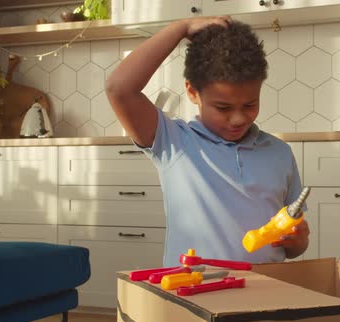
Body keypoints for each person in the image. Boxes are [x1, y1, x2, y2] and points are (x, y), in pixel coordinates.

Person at [105, 16, 309, 267]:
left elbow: (294, 247)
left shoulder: (280, 153)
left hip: (267, 294)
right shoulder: (174, 142)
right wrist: (180, 28)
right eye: (223, 107)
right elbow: (119, 88)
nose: (237, 118)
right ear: (192, 92)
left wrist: (298, 241)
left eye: (250, 104)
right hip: (194, 293)